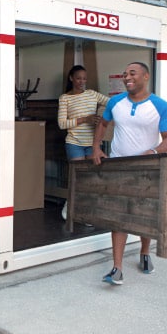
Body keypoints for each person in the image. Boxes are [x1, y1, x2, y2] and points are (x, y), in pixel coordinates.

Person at [92, 61, 167, 285]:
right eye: (125, 73)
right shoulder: (115, 102)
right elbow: (102, 124)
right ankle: (117, 268)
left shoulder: (160, 106)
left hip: (147, 170)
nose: (127, 77)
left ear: (146, 77)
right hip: (119, 167)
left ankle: (145, 252)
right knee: (119, 217)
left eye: (133, 73)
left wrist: (154, 151)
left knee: (142, 215)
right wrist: (96, 147)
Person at [57, 65, 109, 220]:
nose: (82, 81)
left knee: (90, 179)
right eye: (78, 78)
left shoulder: (92, 95)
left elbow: (112, 103)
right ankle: (70, 205)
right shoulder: (65, 98)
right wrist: (85, 119)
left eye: (84, 78)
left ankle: (87, 212)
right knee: (76, 177)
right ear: (71, 78)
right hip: (74, 143)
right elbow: (62, 124)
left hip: (92, 144)